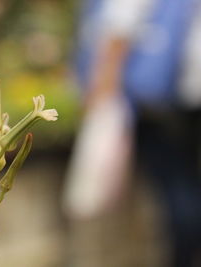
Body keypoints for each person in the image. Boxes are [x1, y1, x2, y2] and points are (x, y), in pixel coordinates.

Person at [63, 0, 201, 266]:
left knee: (177, 188)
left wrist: (101, 95)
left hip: (159, 100)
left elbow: (119, 29)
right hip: (186, 93)